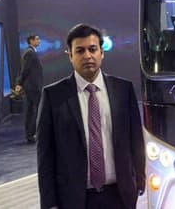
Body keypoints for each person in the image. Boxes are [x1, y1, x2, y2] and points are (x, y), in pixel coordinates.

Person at [37, 24, 145, 209]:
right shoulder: (53, 96)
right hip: (73, 198)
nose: (87, 56)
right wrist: (49, 203)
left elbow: (136, 140)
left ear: (101, 53)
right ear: (70, 56)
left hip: (120, 195)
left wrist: (139, 178)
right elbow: (45, 156)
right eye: (80, 51)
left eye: (92, 49)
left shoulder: (123, 90)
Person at [15, 34, 43, 144]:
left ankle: (31, 134)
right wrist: (19, 83)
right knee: (32, 111)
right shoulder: (29, 53)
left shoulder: (31, 52)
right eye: (37, 39)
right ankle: (31, 134)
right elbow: (25, 70)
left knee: (32, 111)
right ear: (31, 41)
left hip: (33, 86)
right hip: (32, 87)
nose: (39, 41)